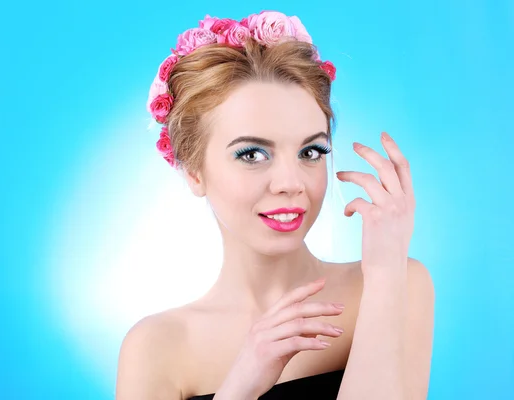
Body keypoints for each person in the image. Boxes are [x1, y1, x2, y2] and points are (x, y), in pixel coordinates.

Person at [115, 10, 435, 400]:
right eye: (252, 154)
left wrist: (385, 278)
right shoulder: (155, 347)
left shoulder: (399, 283)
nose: (291, 183)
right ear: (194, 172)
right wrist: (242, 384)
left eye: (311, 151)